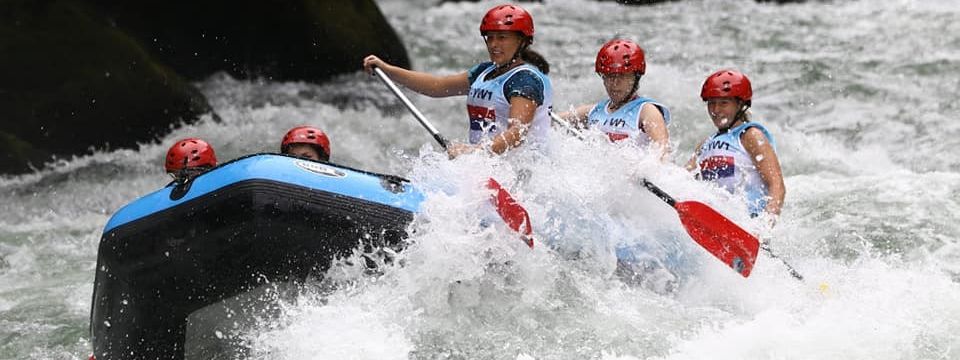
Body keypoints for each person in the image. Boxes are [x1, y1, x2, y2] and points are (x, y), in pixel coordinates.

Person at [362, 4, 553, 158]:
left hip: (524, 174)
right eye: (490, 38)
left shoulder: (524, 81)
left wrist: (474, 152)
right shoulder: (484, 72)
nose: (494, 45)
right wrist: (388, 70)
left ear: (522, 41)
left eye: (502, 38)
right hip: (490, 164)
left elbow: (517, 134)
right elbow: (437, 86)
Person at [685, 69, 785, 219]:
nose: (716, 110)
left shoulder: (750, 136)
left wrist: (765, 226)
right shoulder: (705, 144)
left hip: (749, 221)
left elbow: (777, 186)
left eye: (723, 103)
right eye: (711, 104)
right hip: (717, 219)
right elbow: (682, 179)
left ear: (740, 104)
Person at [558, 39, 671, 158]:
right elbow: (550, 119)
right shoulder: (593, 111)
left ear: (635, 77)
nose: (614, 83)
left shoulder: (647, 111)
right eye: (609, 76)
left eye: (622, 76)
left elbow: (663, 156)